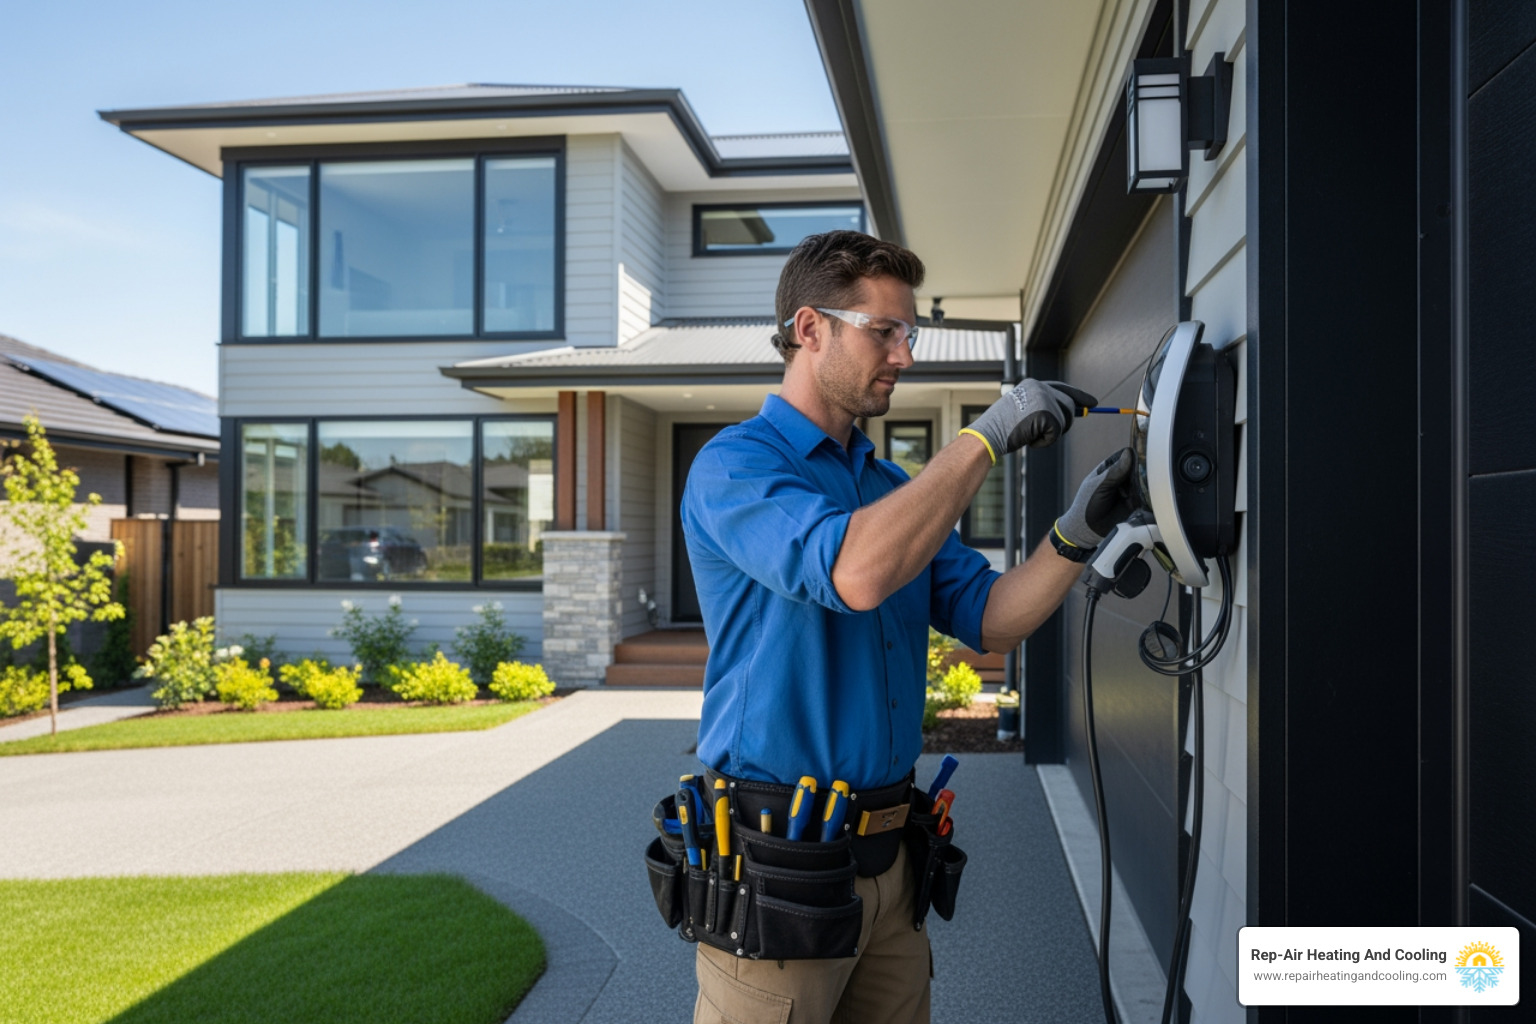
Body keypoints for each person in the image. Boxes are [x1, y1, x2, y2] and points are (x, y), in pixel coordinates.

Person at [680, 230, 1134, 1024]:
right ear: (809, 328)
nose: (905, 354)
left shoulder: (892, 487)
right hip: (781, 861)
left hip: (892, 860)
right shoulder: (737, 466)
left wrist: (1078, 533)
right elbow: (853, 573)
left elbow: (994, 619)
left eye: (908, 333)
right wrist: (983, 438)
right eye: (885, 331)